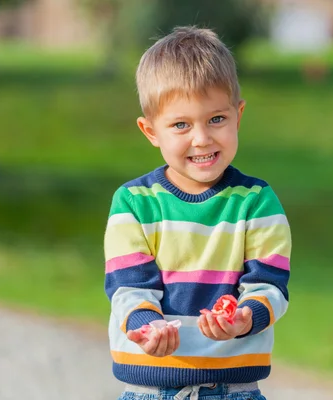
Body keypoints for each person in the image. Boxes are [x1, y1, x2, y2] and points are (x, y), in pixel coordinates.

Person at [103, 26, 291, 400]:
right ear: (151, 131)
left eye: (216, 119)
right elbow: (128, 288)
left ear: (238, 115)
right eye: (180, 125)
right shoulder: (134, 203)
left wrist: (244, 318)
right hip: (150, 387)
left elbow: (269, 286)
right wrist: (148, 327)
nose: (202, 138)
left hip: (233, 387)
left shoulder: (256, 202)